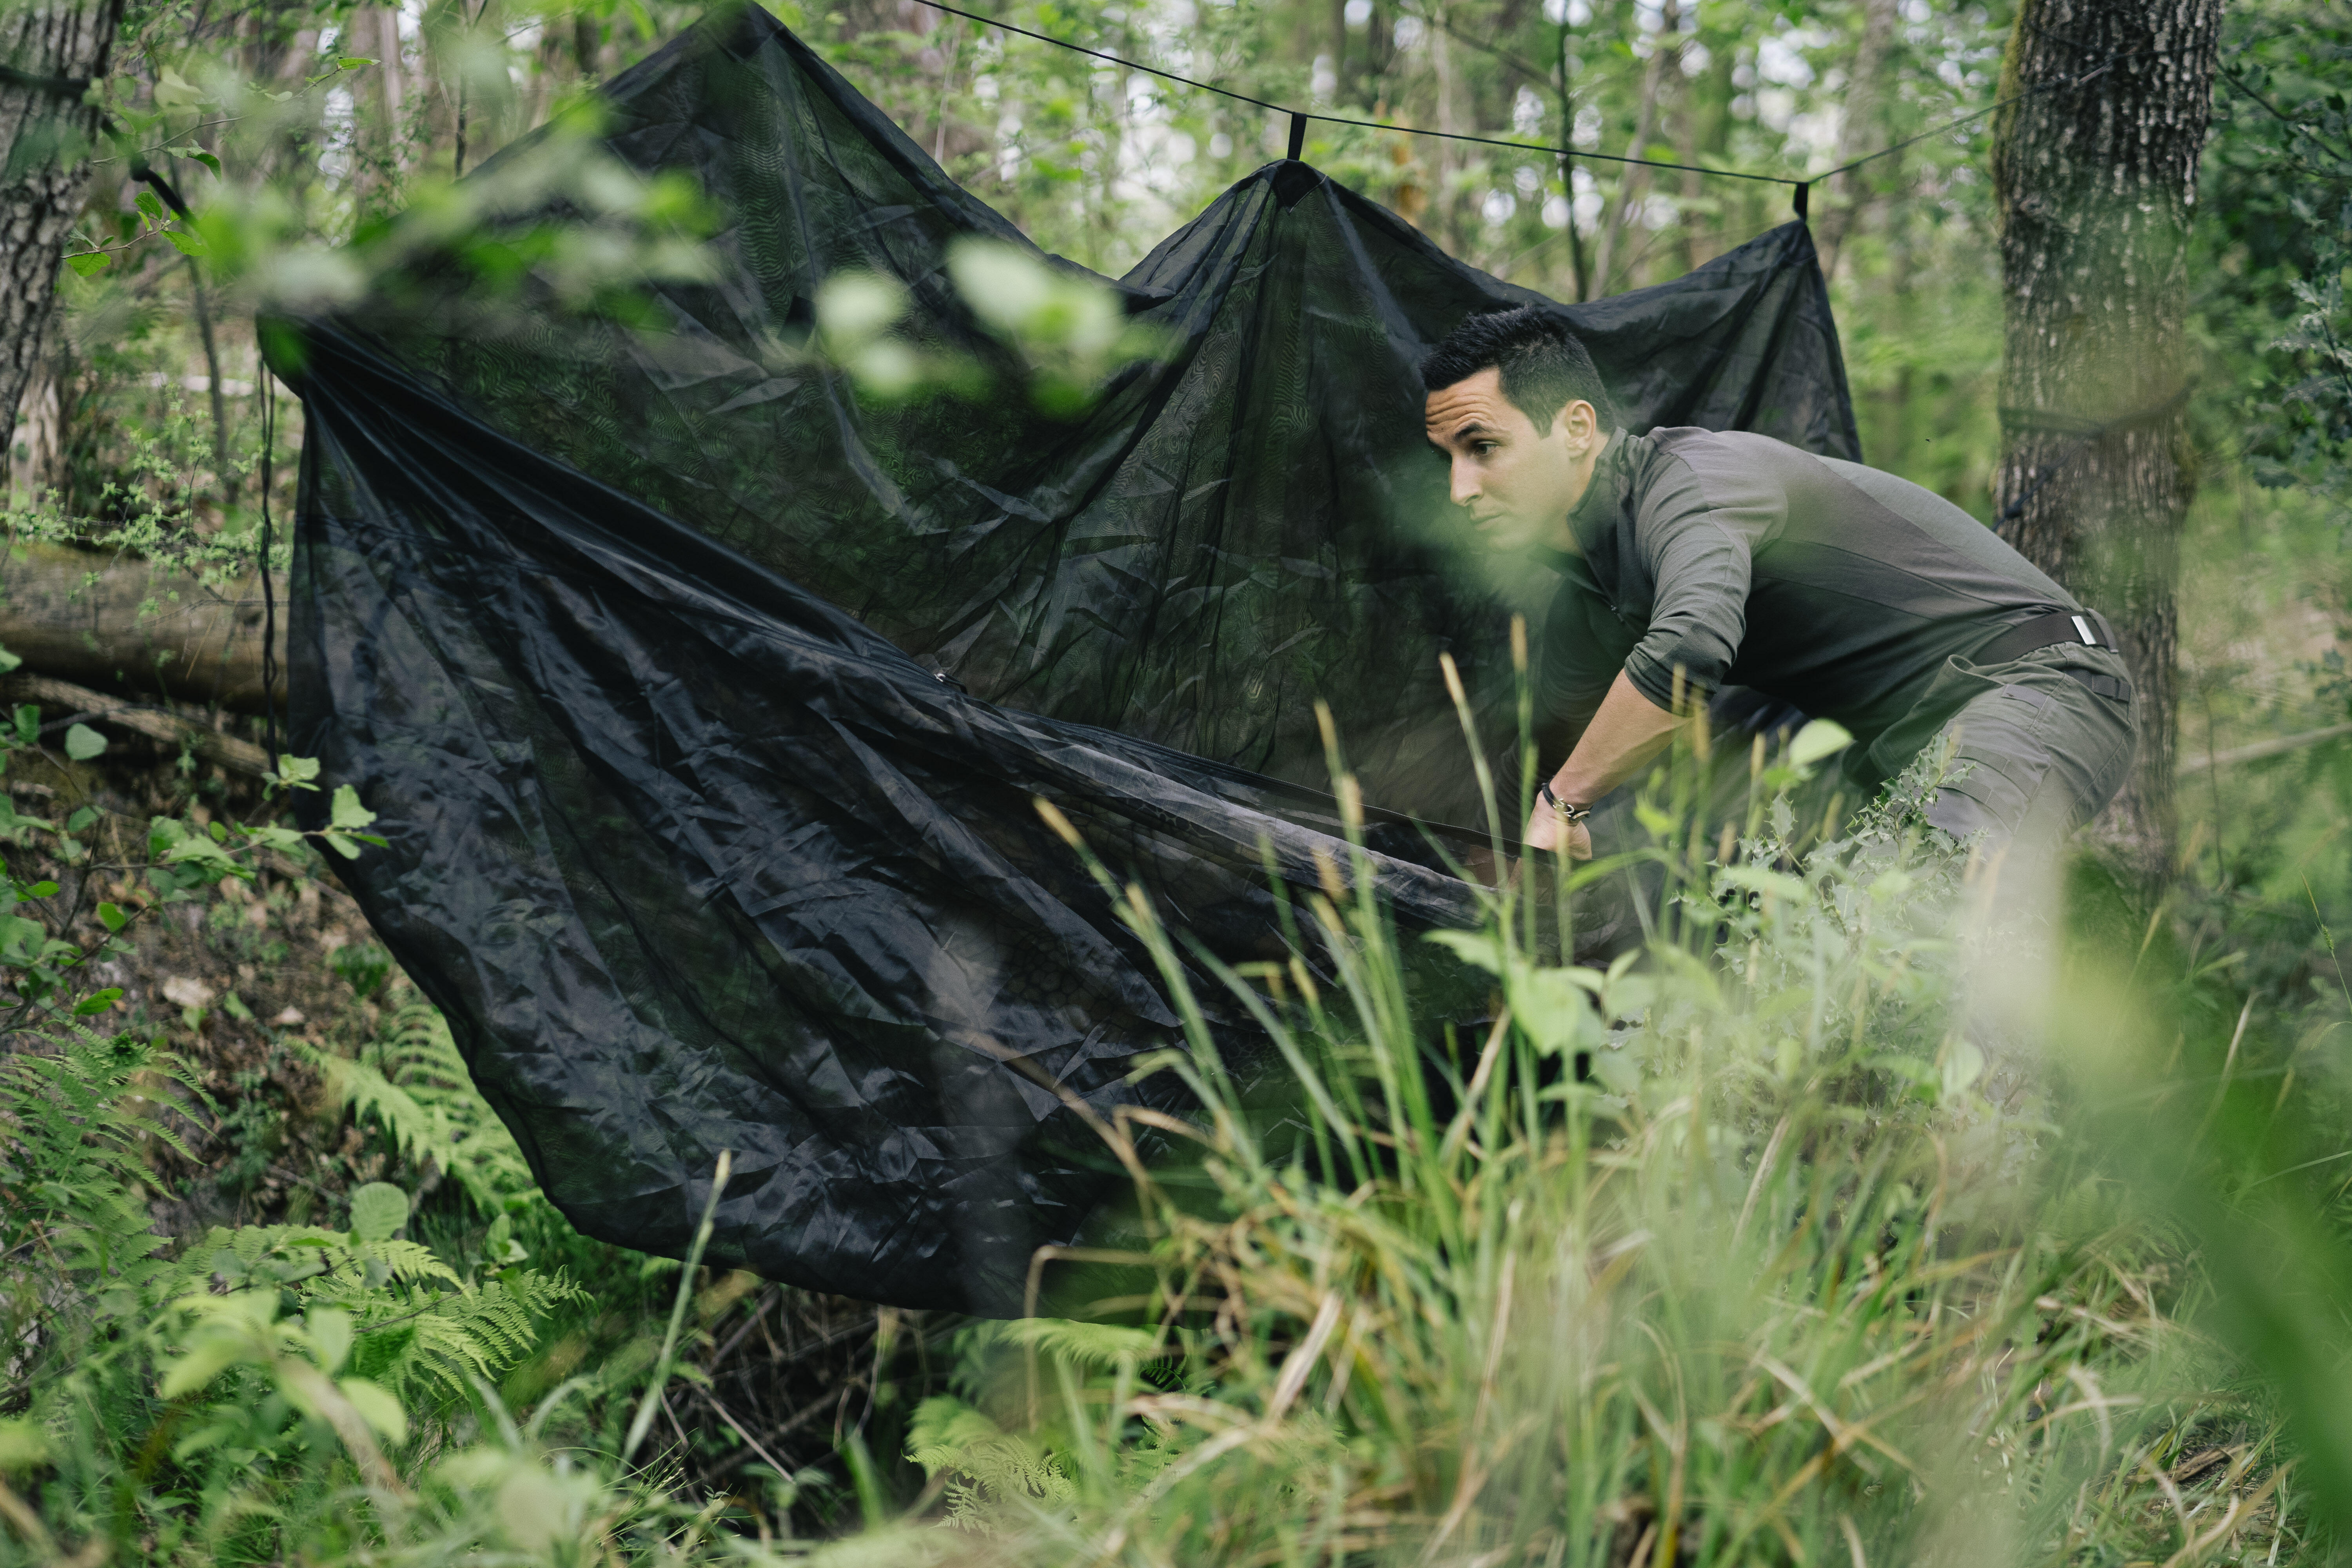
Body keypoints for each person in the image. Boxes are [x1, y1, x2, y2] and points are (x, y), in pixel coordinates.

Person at [1419, 307, 2136, 863]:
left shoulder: (1692, 483)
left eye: (1484, 448)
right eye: (1448, 458)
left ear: (1576, 428)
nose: (1459, 490)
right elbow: (1543, 757)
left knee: (1925, 930)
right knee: (1804, 972)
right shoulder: (1593, 594)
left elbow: (1691, 645)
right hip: (1905, 755)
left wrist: (1567, 805)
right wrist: (1494, 854)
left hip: (2037, 687)